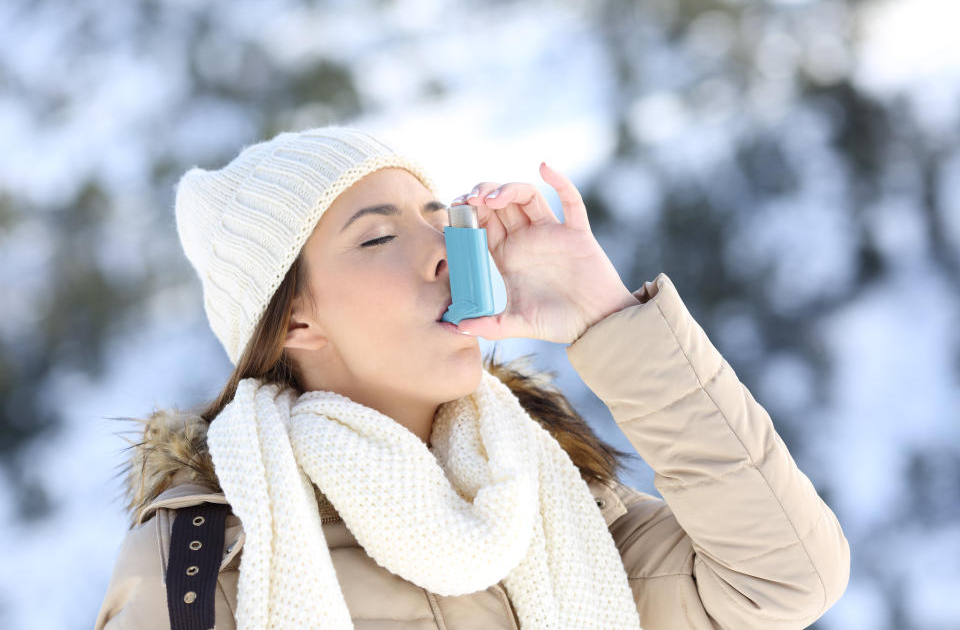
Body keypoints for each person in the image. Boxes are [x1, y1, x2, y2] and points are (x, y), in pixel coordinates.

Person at [94, 126, 850, 630]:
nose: (447, 251)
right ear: (294, 322)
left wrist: (603, 315)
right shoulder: (198, 565)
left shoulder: (555, 500)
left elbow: (786, 579)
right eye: (380, 235)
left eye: (438, 218)